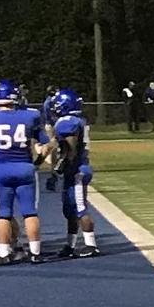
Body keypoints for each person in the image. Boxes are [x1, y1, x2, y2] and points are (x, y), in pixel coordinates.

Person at [0, 80, 48, 260]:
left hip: (0, 168)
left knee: (3, 214)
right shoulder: (30, 115)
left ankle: (4, 253)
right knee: (30, 212)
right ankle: (35, 253)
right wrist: (38, 161)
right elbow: (46, 144)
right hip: (24, 166)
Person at [46, 90, 99, 254]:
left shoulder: (67, 121)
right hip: (75, 169)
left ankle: (91, 245)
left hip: (77, 169)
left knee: (80, 208)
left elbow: (70, 149)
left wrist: (57, 170)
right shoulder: (77, 120)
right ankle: (70, 245)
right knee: (70, 210)